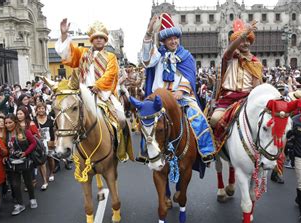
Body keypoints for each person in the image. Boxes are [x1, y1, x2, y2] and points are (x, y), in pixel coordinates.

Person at [140, 13, 215, 162]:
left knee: (198, 117)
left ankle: (206, 152)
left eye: (175, 38)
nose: (173, 41)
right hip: (159, 98)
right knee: (146, 118)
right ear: (164, 41)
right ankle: (146, 152)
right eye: (170, 39)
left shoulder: (186, 56)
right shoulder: (158, 54)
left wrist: (181, 91)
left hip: (181, 96)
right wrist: (149, 32)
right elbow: (146, 59)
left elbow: (190, 76)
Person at [56, 18, 131, 162]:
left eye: (101, 38)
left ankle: (121, 150)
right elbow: (67, 54)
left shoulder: (111, 56)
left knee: (122, 119)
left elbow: (111, 74)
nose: (98, 40)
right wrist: (64, 35)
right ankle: (70, 148)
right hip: (84, 96)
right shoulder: (83, 53)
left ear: (105, 40)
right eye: (96, 38)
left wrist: (98, 86)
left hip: (104, 96)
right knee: (70, 118)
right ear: (92, 40)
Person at [210, 19, 262, 129]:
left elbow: (256, 86)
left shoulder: (255, 62)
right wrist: (243, 35)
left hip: (246, 99)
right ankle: (217, 146)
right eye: (243, 40)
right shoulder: (230, 57)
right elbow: (229, 50)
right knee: (214, 120)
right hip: (227, 99)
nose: (246, 43)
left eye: (248, 40)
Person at [4, 114, 37, 216]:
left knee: (28, 182)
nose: (8, 125)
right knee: (15, 184)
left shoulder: (24, 131)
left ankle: (32, 199)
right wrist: (5, 156)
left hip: (25, 161)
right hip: (13, 163)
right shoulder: (6, 135)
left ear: (15, 122)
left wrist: (25, 153)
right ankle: (20, 204)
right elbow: (6, 148)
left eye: (10, 122)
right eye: (6, 123)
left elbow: (33, 143)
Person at [34, 102, 54, 188]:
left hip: (49, 141)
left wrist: (54, 140)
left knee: (50, 158)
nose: (41, 110)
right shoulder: (34, 120)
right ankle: (44, 181)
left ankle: (52, 172)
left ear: (45, 109)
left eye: (42, 108)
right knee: (41, 161)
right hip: (39, 143)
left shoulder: (50, 119)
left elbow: (54, 130)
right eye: (39, 108)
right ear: (36, 110)